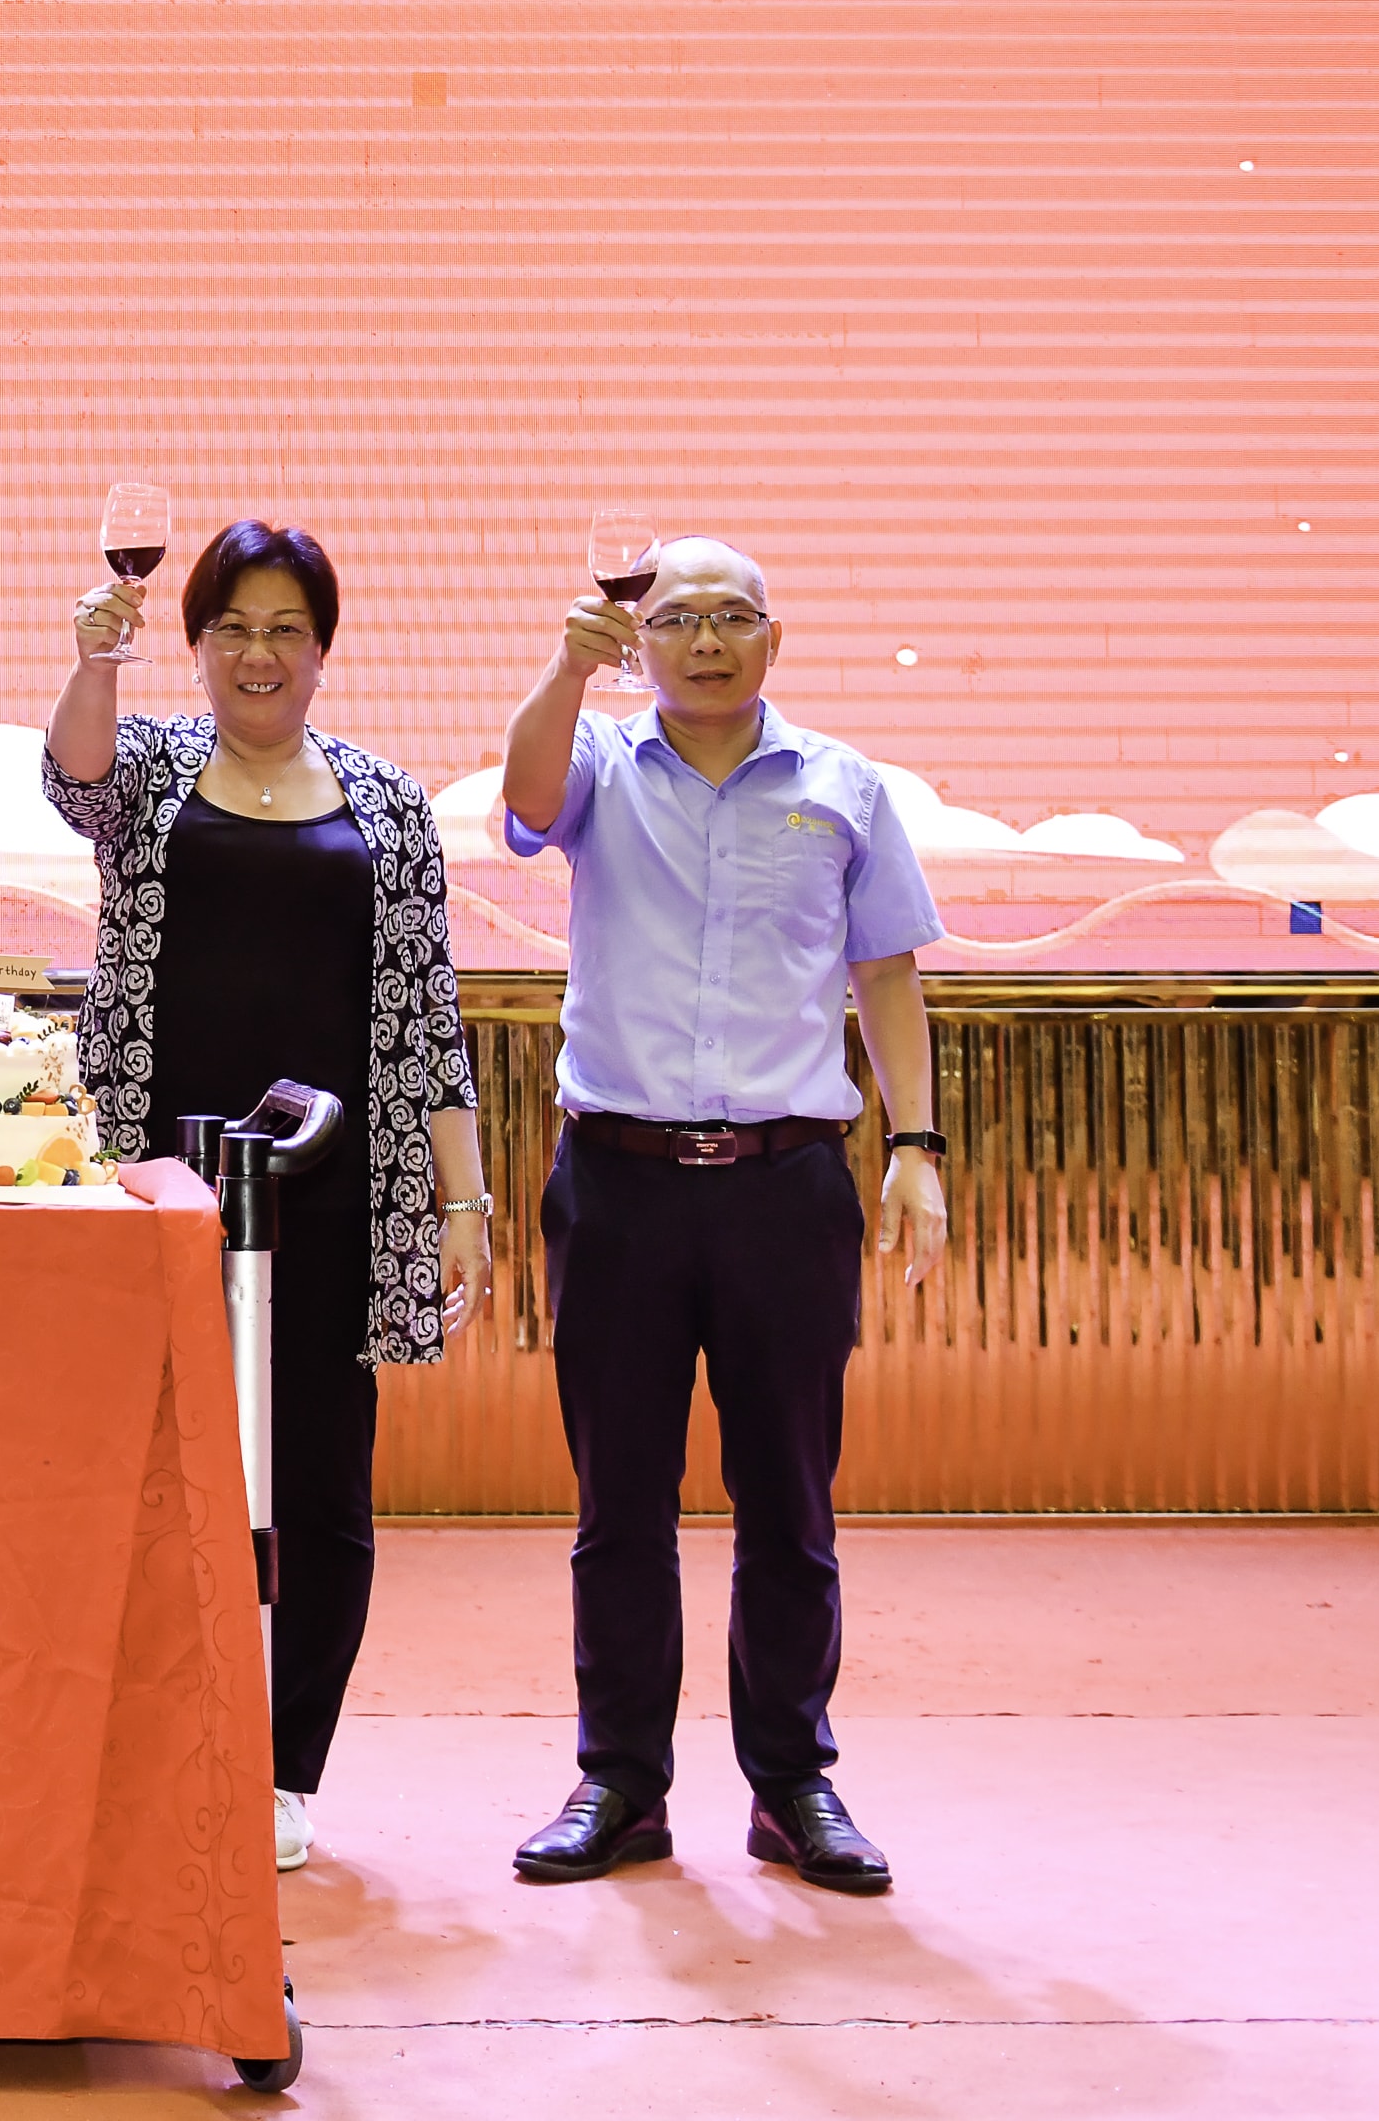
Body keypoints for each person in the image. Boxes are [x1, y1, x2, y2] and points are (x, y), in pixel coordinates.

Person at [495, 534, 948, 1896]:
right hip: (617, 1183)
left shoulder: (843, 785)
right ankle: (621, 1784)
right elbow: (524, 800)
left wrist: (916, 1143)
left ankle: (793, 1784)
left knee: (790, 1502)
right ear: (641, 642)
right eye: (679, 618)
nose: (706, 639)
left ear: (774, 637)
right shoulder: (598, 765)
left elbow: (887, 973)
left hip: (785, 1185)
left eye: (733, 616)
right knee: (618, 1504)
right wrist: (564, 671)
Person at [49, 519, 492, 1874]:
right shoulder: (150, 767)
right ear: (195, 645)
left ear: (323, 650)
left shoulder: (386, 801)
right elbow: (75, 780)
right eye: (233, 627)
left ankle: (286, 1766)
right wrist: (94, 662)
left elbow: (429, 1017)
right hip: (156, 1191)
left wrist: (464, 1205)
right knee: (144, 1471)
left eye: (286, 629)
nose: (259, 653)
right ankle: (149, 1740)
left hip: (334, 1203)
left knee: (322, 1493)